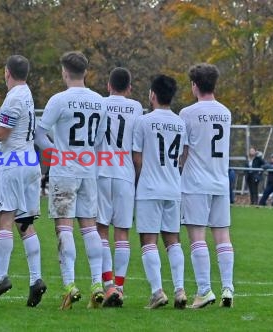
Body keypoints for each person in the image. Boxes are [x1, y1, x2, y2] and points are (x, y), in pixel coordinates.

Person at [35, 51, 107, 309]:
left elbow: (40, 135)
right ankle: (97, 284)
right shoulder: (100, 101)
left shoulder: (59, 100)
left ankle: (70, 285)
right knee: (89, 227)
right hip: (89, 171)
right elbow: (99, 140)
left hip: (65, 171)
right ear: (85, 72)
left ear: (65, 72)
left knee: (64, 228)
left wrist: (56, 153)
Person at [0, 54, 46, 307]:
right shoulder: (25, 93)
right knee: (25, 222)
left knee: (4, 218)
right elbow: (10, 126)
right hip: (30, 160)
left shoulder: (14, 97)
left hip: (14, 162)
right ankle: (36, 279)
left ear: (7, 72)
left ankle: (0, 279)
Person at [179, 63, 235, 308]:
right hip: (220, 182)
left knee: (197, 238)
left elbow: (183, 150)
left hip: (195, 183)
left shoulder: (187, 113)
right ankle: (228, 288)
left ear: (194, 85)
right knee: (223, 237)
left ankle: (204, 291)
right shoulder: (225, 112)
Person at [132, 74, 187, 309]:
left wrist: (137, 181)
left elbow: (137, 158)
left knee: (148, 240)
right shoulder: (180, 123)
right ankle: (180, 290)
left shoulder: (144, 121)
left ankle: (157, 292)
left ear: (152, 94)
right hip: (173, 187)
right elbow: (183, 155)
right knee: (173, 240)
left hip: (150, 188)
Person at [95, 67, 143, 307]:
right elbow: (137, 150)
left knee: (101, 229)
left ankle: (108, 284)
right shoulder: (136, 108)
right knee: (122, 231)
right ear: (130, 87)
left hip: (102, 172)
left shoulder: (101, 104)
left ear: (108, 85)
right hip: (125, 173)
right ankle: (120, 287)